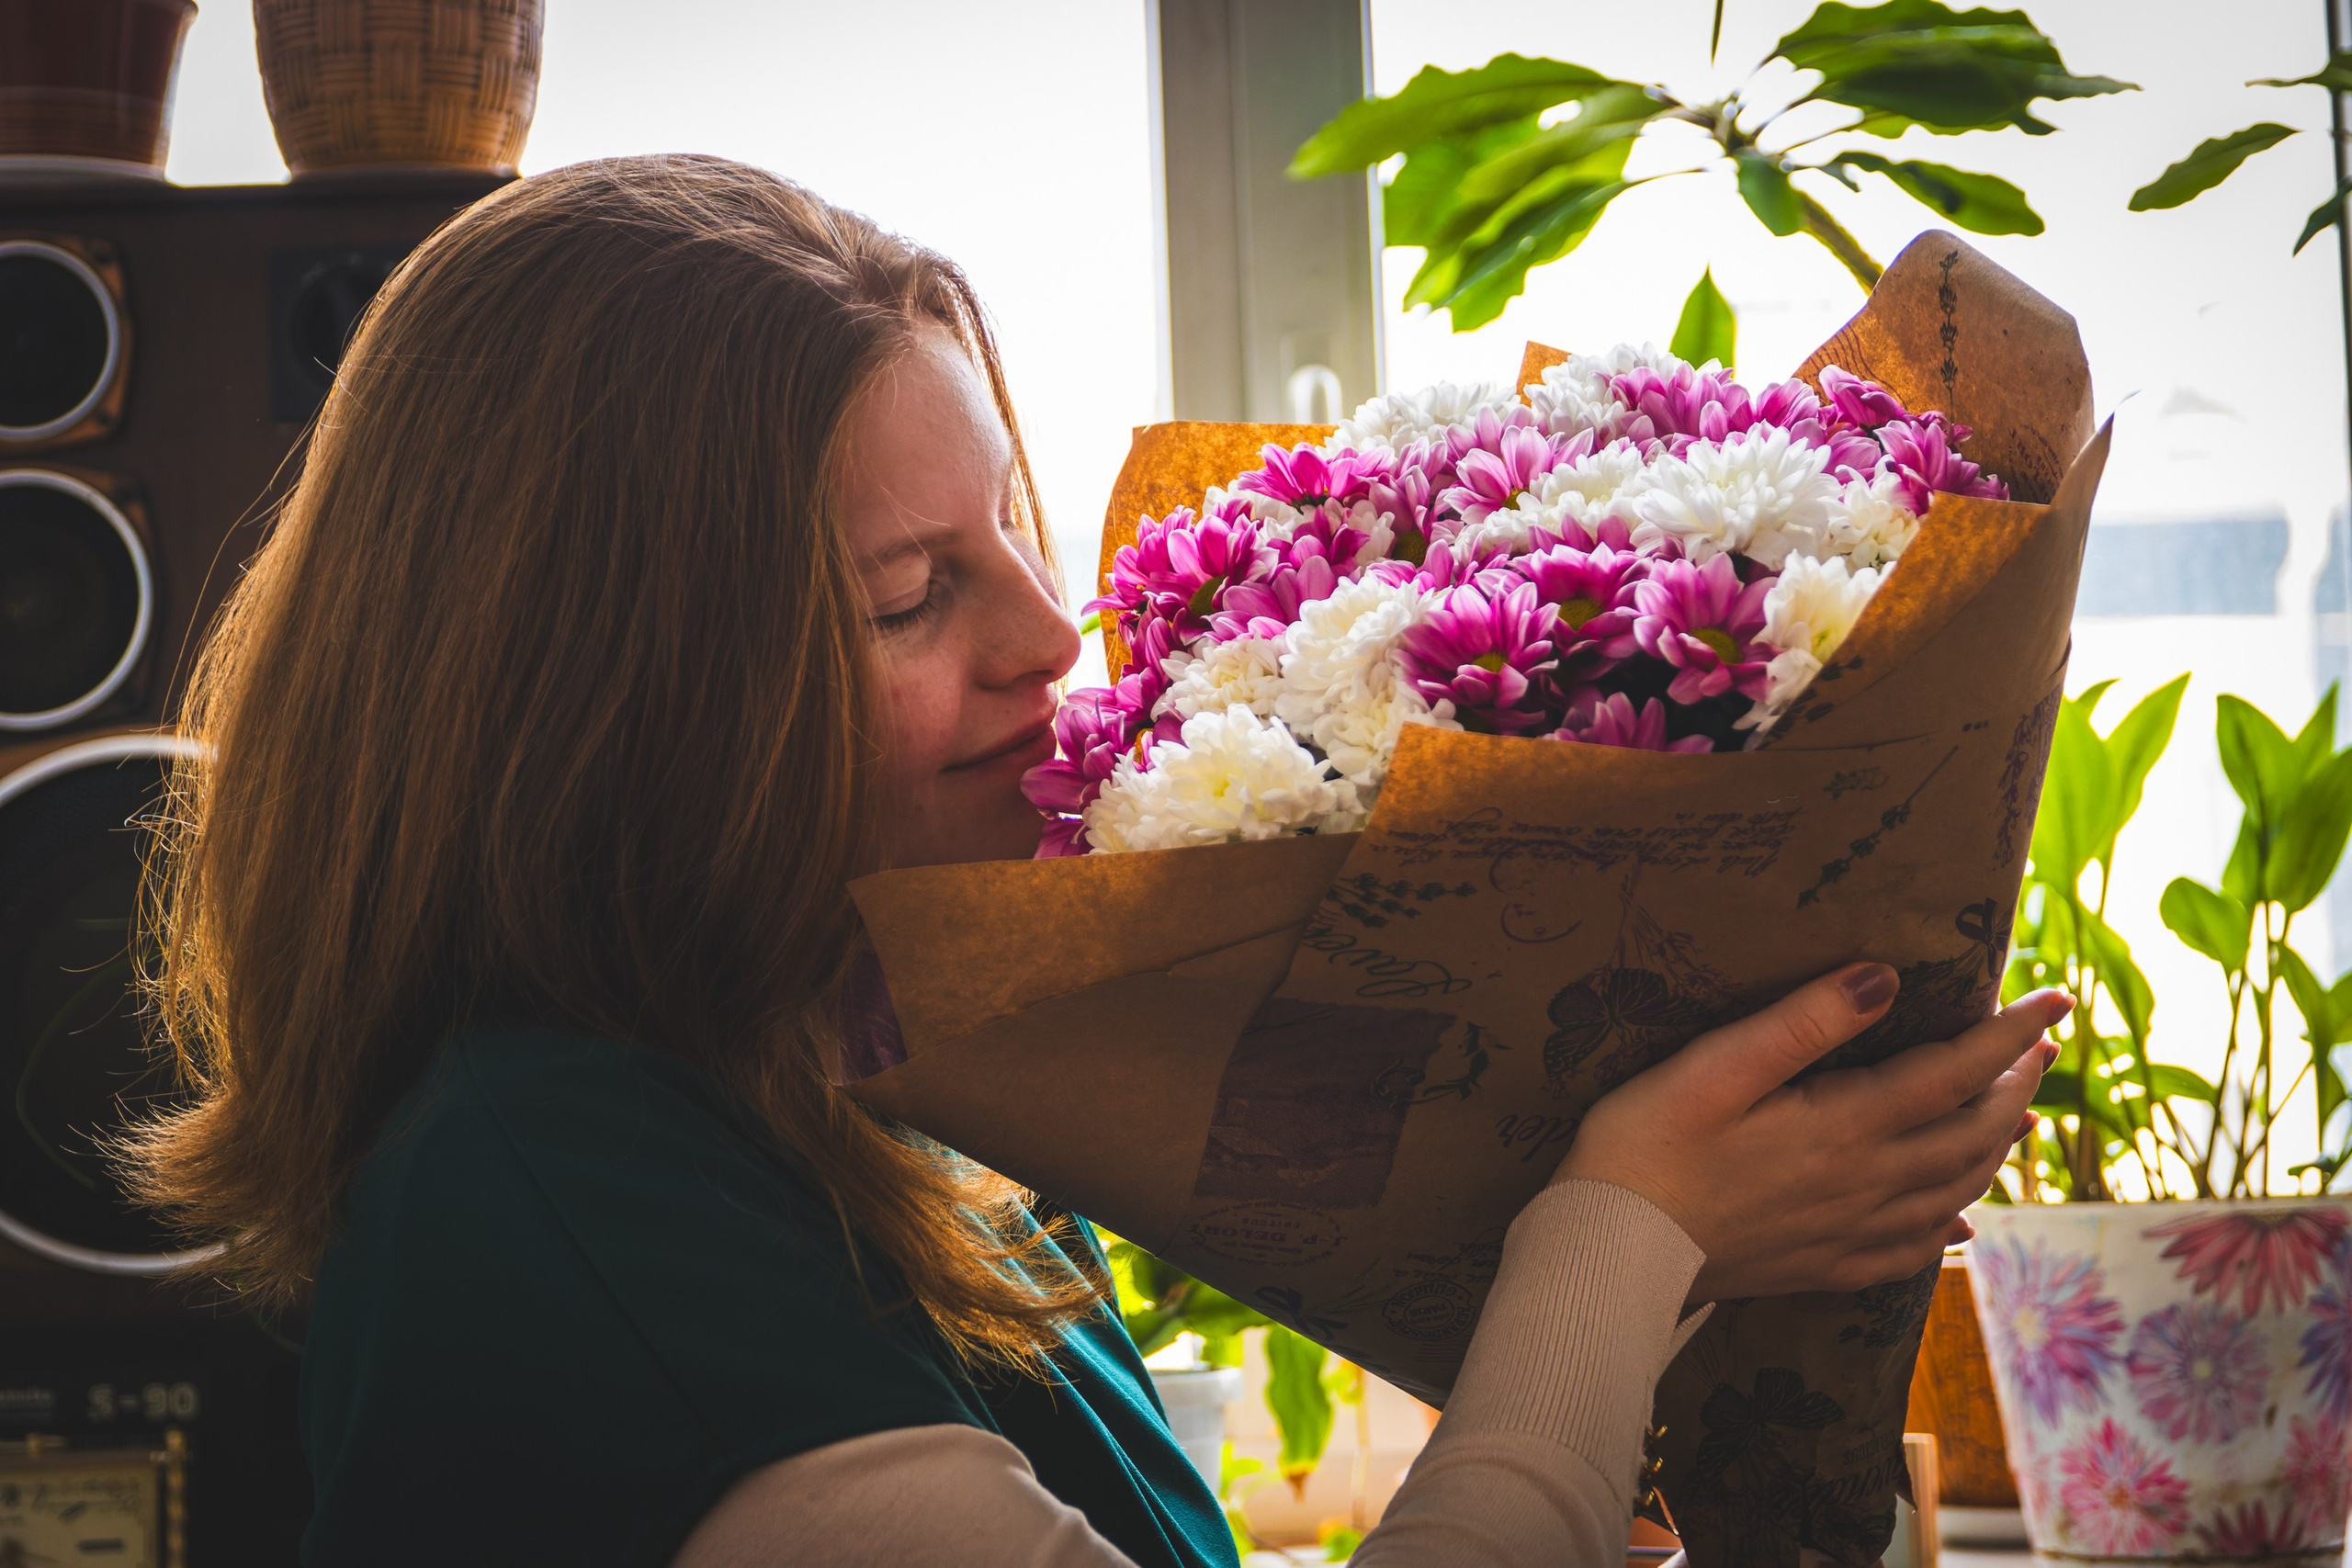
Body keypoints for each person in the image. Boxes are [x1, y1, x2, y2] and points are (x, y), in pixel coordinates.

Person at [126, 155, 2058, 1568]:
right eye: (909, 593)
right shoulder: (560, 1191)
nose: (1055, 637)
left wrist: (1669, 1221)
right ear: (607, 695)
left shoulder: (887, 1121)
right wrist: (1623, 1224)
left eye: (1011, 535)